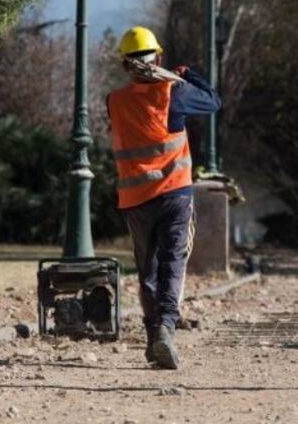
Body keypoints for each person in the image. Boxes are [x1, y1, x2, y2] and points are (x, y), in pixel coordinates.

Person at [106, 26, 220, 370]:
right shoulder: (175, 93)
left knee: (148, 268)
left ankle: (151, 335)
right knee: (173, 261)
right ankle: (166, 329)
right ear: (157, 58)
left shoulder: (114, 100)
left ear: (125, 64)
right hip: (173, 193)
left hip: (135, 198)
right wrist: (187, 74)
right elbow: (213, 101)